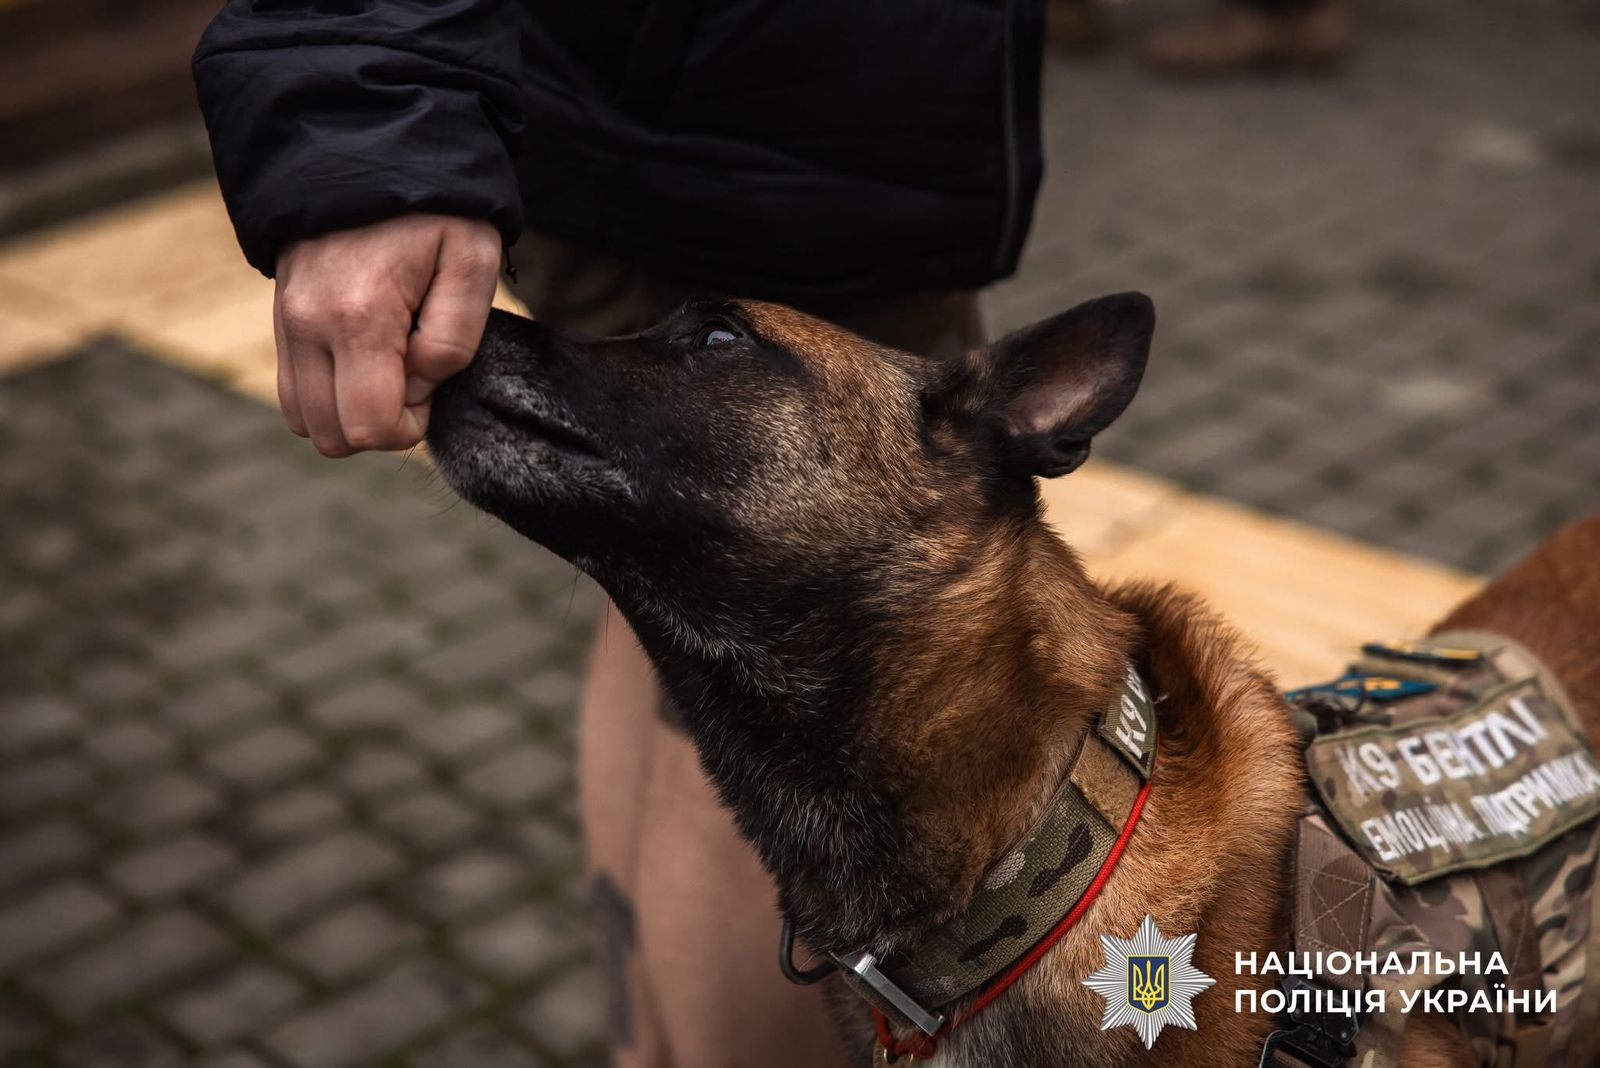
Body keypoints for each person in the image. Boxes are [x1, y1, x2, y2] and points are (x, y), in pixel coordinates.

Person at [193, 3, 1047, 1066]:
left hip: (654, 98)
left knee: (657, 572)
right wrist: (362, 123)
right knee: (793, 638)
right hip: (789, 126)